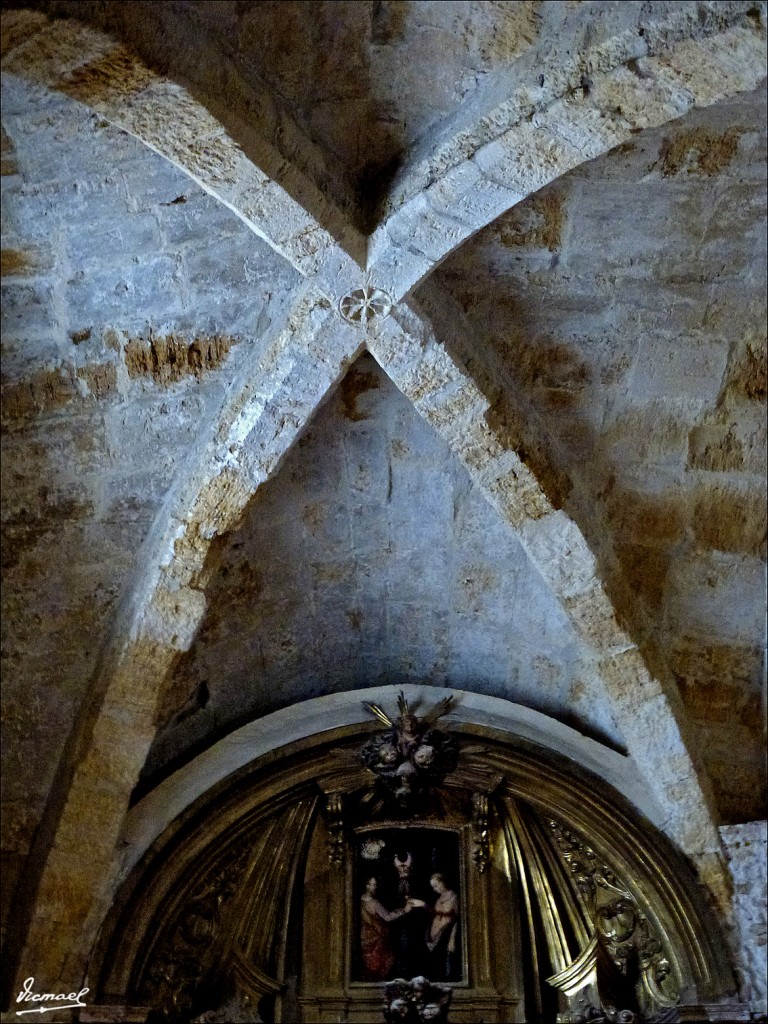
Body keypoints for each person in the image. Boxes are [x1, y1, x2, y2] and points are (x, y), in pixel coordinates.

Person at [360, 877, 415, 981]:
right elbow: (388, 917)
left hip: (364, 937)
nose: (375, 887)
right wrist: (404, 910)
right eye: (373, 884)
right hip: (376, 938)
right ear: (367, 886)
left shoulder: (359, 900)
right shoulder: (374, 902)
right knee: (380, 964)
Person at [424, 874, 459, 981]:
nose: (435, 889)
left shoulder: (454, 897)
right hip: (434, 935)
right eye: (433, 887)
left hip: (446, 933)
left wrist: (452, 939)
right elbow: (436, 915)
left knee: (445, 964)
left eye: (436, 885)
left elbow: (457, 920)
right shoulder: (439, 899)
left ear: (442, 882)